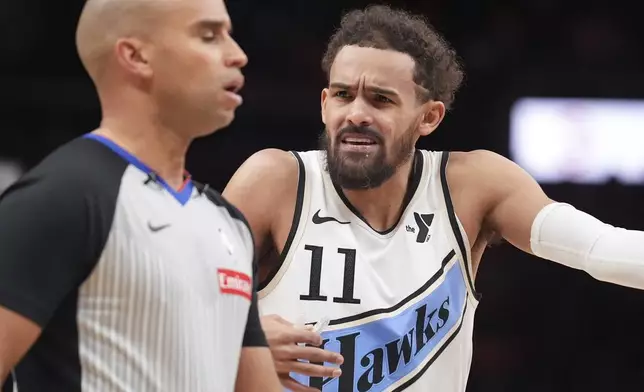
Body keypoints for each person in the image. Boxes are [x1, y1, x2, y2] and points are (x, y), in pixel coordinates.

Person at [223, 5, 644, 392]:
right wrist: (240, 339)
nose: (355, 113)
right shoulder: (275, 181)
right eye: (343, 94)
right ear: (323, 104)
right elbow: (178, 304)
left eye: (381, 99)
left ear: (429, 117)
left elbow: (598, 248)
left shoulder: (471, 184)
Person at [0, 0, 281, 391]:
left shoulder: (228, 223)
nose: (237, 54)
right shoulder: (61, 197)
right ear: (135, 56)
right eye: (209, 35)